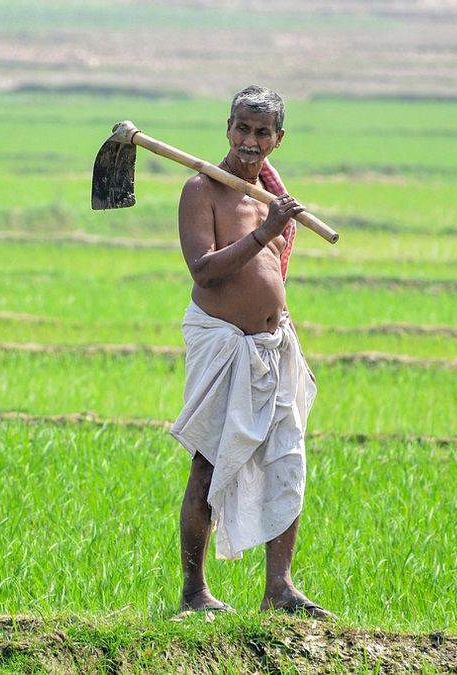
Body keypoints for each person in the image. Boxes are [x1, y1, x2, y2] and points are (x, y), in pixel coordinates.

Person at [169, 85, 330, 618]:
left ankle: (278, 589)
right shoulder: (202, 191)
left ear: (278, 139)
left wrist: (273, 223)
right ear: (228, 128)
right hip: (223, 343)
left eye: (263, 132)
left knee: (288, 460)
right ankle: (195, 593)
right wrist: (265, 231)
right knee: (209, 466)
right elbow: (205, 270)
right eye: (243, 127)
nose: (251, 140)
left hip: (272, 345)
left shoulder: (271, 196)